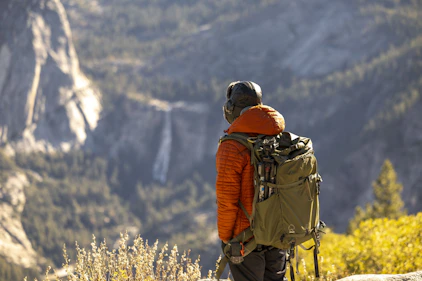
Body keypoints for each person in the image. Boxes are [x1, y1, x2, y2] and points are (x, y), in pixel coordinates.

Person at [216, 81, 287, 281]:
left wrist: (226, 238)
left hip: (245, 239)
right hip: (277, 234)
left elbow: (226, 199)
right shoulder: (277, 136)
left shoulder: (232, 147)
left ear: (231, 109)